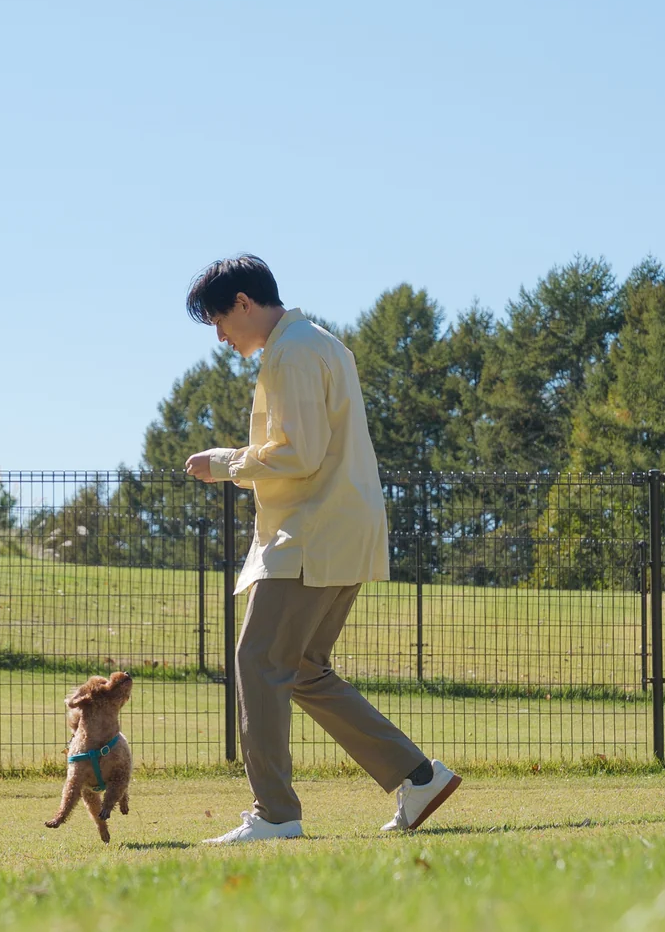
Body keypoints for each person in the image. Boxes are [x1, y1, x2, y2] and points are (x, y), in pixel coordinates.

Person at [183, 255, 462, 843]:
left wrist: (225, 462)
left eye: (218, 321)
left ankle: (276, 815)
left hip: (311, 535)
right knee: (304, 669)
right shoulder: (319, 344)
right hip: (337, 530)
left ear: (243, 303)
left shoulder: (293, 351)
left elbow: (299, 454)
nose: (220, 337)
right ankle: (418, 777)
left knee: (259, 663)